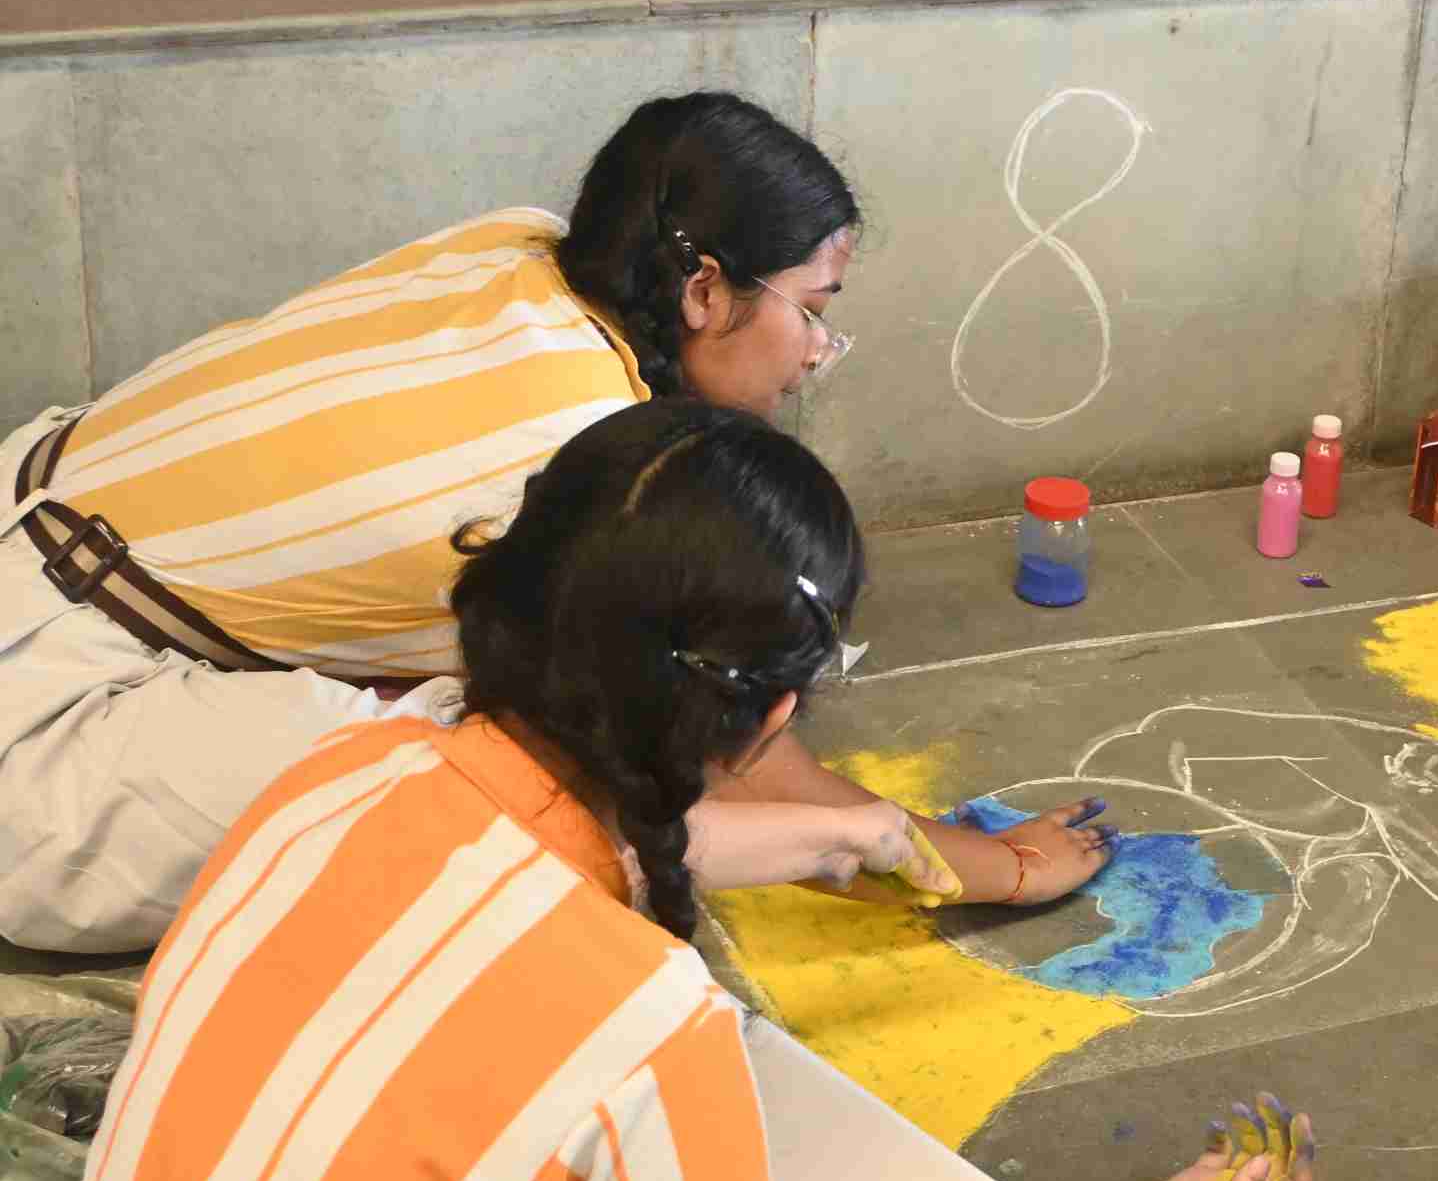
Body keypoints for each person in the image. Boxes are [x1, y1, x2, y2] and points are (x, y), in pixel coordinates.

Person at [0, 401, 1313, 1181]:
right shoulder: (640, 1024)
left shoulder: (341, 774)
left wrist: (858, 833)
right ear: (775, 715)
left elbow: (572, 839)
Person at [0, 91, 1105, 955]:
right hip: (45, 728)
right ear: (705, 292)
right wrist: (972, 860)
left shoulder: (524, 247)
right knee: (504, 785)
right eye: (812, 314)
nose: (817, 355)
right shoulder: (575, 453)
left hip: (31, 503)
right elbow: (718, 725)